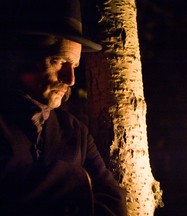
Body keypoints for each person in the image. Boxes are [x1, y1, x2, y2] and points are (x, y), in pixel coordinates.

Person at [0, 0, 127, 215]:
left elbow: (114, 203)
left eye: (75, 66)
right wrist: (77, 180)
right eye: (59, 61)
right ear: (25, 56)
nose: (70, 79)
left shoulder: (75, 131)